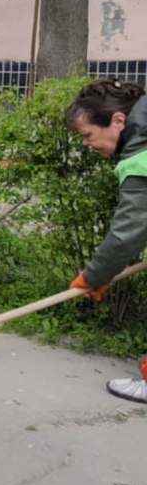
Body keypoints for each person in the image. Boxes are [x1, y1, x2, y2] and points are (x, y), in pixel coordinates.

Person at [64, 78, 147, 404]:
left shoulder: (140, 158)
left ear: (117, 120)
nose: (87, 144)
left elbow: (128, 231)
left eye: (88, 135)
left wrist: (95, 275)